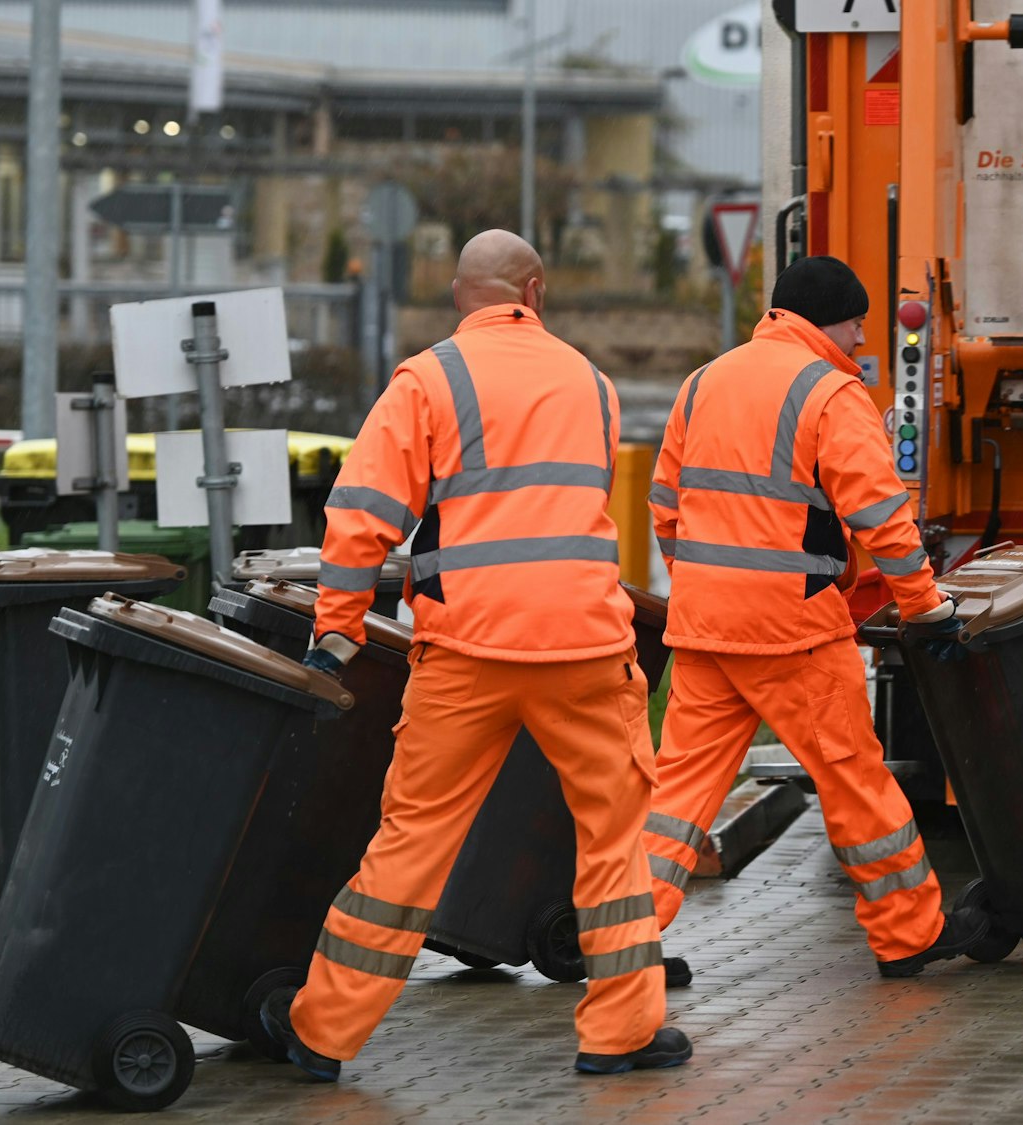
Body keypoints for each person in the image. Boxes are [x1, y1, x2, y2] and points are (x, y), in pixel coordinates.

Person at [256, 230, 690, 1079]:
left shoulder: (428, 379)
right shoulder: (591, 384)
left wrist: (338, 628)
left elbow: (361, 513)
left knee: (412, 840)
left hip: (466, 649)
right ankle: (622, 1032)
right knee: (612, 838)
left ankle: (323, 1030)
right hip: (583, 647)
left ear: (461, 295)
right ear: (533, 288)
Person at [642, 255, 984, 980]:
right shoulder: (830, 392)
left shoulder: (705, 381)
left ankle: (621, 939)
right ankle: (909, 931)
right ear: (832, 318)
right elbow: (883, 517)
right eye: (858, 321)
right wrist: (926, 606)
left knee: (676, 793)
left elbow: (665, 506)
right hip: (792, 631)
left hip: (705, 628)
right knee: (853, 778)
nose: (862, 336)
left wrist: (703, 586)